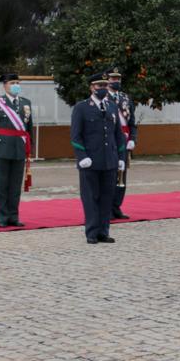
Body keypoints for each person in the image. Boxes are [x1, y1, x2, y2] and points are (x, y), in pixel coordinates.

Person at [71, 72, 126, 244]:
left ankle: (104, 231)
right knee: (90, 197)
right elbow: (76, 136)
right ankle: (92, 232)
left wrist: (121, 156)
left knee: (106, 197)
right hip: (90, 161)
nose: (102, 88)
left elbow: (118, 135)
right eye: (98, 86)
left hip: (109, 160)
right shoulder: (81, 107)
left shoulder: (111, 107)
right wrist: (82, 156)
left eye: (104, 86)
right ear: (91, 87)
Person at [0, 73, 34, 228]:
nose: (16, 85)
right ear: (5, 85)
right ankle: (2, 217)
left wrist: (30, 147)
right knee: (2, 185)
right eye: (12, 82)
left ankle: (13, 216)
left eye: (17, 82)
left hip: (19, 148)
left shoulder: (26, 103)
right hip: (2, 148)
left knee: (15, 186)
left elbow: (28, 127)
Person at [106, 70, 138, 219]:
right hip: (110, 142)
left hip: (124, 142)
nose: (116, 81)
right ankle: (107, 208)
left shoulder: (125, 98)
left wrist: (133, 138)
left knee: (122, 176)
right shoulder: (103, 98)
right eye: (113, 78)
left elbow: (132, 123)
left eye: (118, 78)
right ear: (107, 80)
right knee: (110, 175)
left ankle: (116, 207)